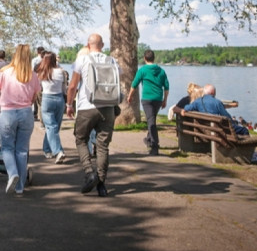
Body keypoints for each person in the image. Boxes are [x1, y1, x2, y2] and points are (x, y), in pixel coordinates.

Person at [66, 33, 120, 197]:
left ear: (88, 45)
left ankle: (90, 173)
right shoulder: (111, 61)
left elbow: (73, 85)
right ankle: (101, 184)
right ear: (102, 45)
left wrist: (69, 104)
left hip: (86, 106)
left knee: (81, 139)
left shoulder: (82, 60)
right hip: (108, 107)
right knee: (103, 146)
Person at [0, 44, 41, 196]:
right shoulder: (32, 75)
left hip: (7, 112)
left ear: (15, 56)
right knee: (22, 150)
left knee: (7, 148)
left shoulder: (5, 72)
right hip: (26, 113)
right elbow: (34, 97)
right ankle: (20, 186)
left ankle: (12, 173)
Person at [126, 49, 170, 156]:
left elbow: (134, 84)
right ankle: (149, 139)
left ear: (145, 58)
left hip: (147, 99)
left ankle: (155, 146)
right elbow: (167, 87)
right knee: (152, 119)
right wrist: (165, 100)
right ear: (153, 58)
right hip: (158, 99)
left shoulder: (143, 70)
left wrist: (129, 96)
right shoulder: (161, 71)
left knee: (151, 122)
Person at [36, 51, 68, 164]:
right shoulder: (61, 72)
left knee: (51, 127)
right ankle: (56, 151)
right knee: (54, 127)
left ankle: (50, 149)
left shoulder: (41, 72)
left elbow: (37, 88)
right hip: (59, 99)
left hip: (47, 99)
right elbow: (65, 88)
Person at [183, 84, 249, 135]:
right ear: (212, 92)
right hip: (217, 129)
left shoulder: (197, 101)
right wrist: (234, 123)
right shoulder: (217, 102)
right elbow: (227, 118)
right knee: (244, 130)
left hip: (205, 129)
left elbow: (186, 108)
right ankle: (245, 150)